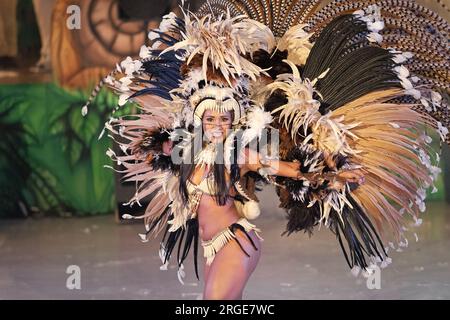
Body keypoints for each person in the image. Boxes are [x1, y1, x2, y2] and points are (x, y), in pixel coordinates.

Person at [82, 0, 449, 299]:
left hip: (235, 242)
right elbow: (150, 150)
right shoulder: (187, 150)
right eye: (210, 119)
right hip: (211, 246)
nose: (218, 125)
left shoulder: (241, 155)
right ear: (197, 119)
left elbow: (294, 172)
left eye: (226, 119)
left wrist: (333, 176)